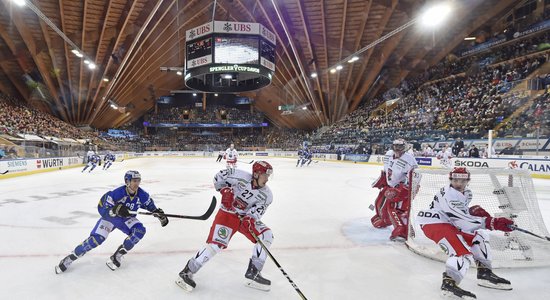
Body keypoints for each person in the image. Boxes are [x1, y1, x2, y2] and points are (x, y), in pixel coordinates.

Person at [176, 161, 274, 292]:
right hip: (227, 214)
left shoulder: (267, 195)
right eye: (265, 175)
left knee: (266, 235)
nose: (267, 179)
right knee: (216, 244)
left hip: (244, 219)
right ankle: (187, 272)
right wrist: (224, 190)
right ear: (256, 174)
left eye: (268, 176)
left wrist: (250, 218)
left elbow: (258, 211)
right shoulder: (238, 175)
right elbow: (218, 177)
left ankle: (254, 272)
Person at [416, 167, 514, 299]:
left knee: (480, 236)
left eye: (463, 180)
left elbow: (462, 215)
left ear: (468, 181)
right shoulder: (449, 194)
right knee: (461, 254)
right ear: (451, 179)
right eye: (456, 180)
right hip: (434, 223)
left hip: (449, 222)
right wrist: (492, 222)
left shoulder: (467, 193)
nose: (459, 184)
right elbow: (462, 220)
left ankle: (484, 272)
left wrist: (471, 212)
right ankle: (449, 284)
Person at [55, 170, 169, 273]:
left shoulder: (142, 195)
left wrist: (158, 213)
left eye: (138, 180)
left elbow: (150, 206)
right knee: (95, 240)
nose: (137, 183)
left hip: (126, 219)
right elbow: (102, 208)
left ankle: (117, 256)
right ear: (127, 181)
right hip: (110, 219)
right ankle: (70, 258)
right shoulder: (116, 193)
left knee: (139, 231)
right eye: (134, 181)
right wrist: (115, 210)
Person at [371, 139, 418, 241]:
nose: (397, 149)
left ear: (404, 147)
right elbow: (387, 169)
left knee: (394, 208)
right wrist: (383, 179)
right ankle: (383, 218)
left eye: (400, 146)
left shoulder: (409, 159)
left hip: (402, 189)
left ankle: (403, 229)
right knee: (379, 202)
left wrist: (404, 189)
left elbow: (415, 177)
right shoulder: (388, 154)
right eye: (395, 146)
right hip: (389, 186)